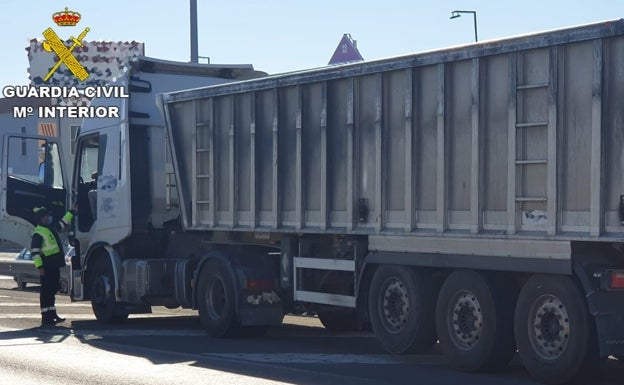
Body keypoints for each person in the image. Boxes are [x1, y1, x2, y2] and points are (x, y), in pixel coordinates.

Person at [31, 204, 76, 326]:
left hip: (54, 266)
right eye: (46, 216)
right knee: (46, 292)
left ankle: (52, 314)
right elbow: (35, 253)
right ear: (41, 218)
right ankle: (46, 317)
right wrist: (40, 268)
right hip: (46, 266)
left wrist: (72, 212)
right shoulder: (38, 233)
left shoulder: (50, 228)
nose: (48, 218)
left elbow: (63, 223)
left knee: (52, 290)